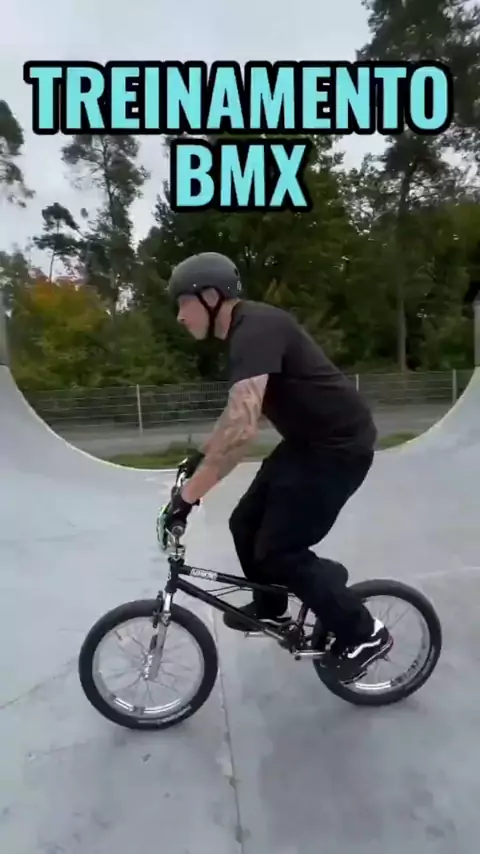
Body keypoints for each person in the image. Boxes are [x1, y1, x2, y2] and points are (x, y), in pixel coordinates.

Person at [160, 251, 392, 683]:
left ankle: (365, 633)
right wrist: (199, 458)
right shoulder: (246, 333)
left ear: (210, 296)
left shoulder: (256, 329)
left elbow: (242, 431)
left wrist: (187, 499)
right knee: (244, 523)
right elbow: (234, 417)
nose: (179, 316)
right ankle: (273, 607)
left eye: (183, 303)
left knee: (280, 551)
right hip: (306, 444)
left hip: (339, 449)